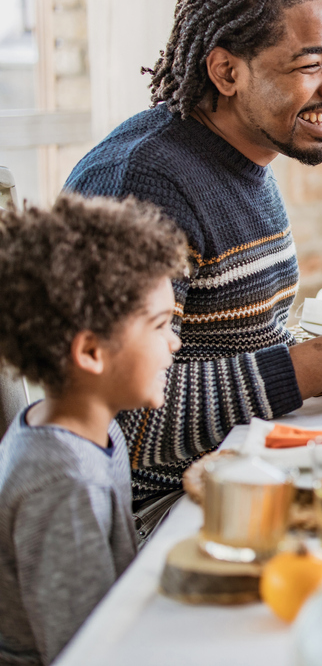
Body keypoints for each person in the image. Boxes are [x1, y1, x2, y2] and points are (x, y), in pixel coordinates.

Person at [63, 0, 322, 530]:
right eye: (309, 65)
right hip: (162, 515)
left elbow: (238, 342)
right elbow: (127, 423)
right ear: (226, 71)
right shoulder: (142, 184)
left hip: (246, 465)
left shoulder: (244, 153)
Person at [0, 195, 186, 665]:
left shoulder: (93, 430)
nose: (174, 342)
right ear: (91, 353)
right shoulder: (63, 482)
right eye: (161, 325)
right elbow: (84, 649)